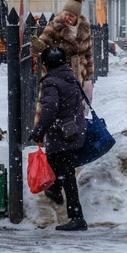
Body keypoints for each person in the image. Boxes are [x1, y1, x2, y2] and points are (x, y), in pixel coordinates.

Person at [29, 47, 88, 231]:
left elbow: (49, 109)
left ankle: (77, 217)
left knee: (67, 175)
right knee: (56, 163)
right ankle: (54, 190)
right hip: (72, 130)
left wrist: (39, 131)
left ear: (46, 66)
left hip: (61, 134)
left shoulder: (51, 82)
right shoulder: (70, 77)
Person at [29, 0, 94, 103]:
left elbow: (88, 53)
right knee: (57, 111)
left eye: (71, 16)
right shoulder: (55, 27)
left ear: (77, 18)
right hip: (58, 76)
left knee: (77, 112)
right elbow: (42, 44)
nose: (67, 18)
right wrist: (38, 45)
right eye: (66, 14)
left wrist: (88, 76)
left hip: (79, 77)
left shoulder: (84, 28)